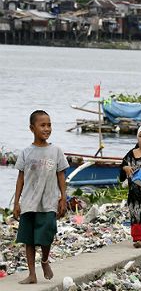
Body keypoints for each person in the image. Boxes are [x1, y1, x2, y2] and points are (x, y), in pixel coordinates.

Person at [13, 110, 68, 284]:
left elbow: (61, 176)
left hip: (49, 202)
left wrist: (63, 198)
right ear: (32, 128)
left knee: (46, 236)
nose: (47, 128)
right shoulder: (26, 152)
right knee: (28, 239)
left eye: (49, 125)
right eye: (42, 125)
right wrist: (16, 202)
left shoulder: (56, 151)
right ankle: (32, 274)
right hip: (29, 202)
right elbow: (20, 178)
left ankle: (44, 260)